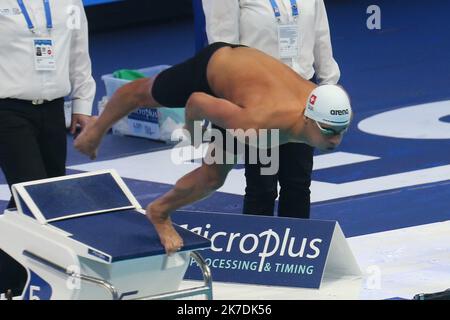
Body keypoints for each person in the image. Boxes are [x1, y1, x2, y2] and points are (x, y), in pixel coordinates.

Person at [74, 42, 352, 255]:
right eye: (328, 131)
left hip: (251, 87)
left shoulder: (322, 110)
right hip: (216, 68)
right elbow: (196, 100)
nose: (335, 140)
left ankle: (157, 211)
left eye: (341, 130)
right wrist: (194, 133)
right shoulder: (256, 123)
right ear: (308, 118)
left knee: (212, 178)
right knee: (144, 95)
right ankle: (95, 131)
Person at [201, 0, 341, 219]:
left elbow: (320, 31)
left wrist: (328, 85)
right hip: (258, 100)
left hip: (301, 96)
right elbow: (222, 46)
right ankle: (256, 251)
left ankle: (296, 248)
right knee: (262, 187)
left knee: (298, 184)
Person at [0, 0, 95, 296]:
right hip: (7, 110)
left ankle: (16, 274)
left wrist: (82, 103)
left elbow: (79, 52)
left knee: (47, 201)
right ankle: (13, 282)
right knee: (32, 193)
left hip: (54, 110)